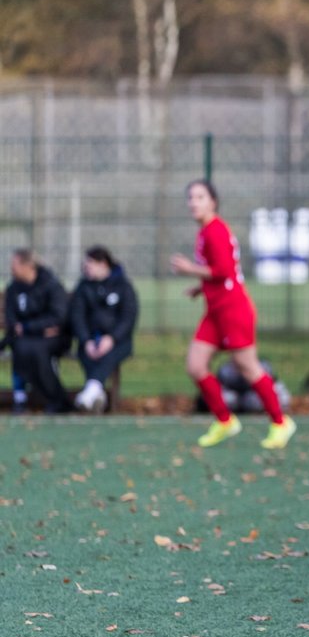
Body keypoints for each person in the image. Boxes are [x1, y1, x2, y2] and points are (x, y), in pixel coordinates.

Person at [169, 179, 296, 449]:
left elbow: (224, 270)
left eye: (200, 197)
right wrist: (200, 288)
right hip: (215, 311)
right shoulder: (205, 231)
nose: (193, 202)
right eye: (190, 198)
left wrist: (190, 269)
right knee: (195, 365)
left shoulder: (216, 230)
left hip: (233, 310)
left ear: (213, 202)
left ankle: (280, 422)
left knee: (248, 368)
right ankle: (225, 421)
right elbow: (220, 274)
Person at [68, 245, 138, 413]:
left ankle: (91, 391)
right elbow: (77, 316)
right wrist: (86, 340)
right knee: (88, 353)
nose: (86, 269)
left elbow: (128, 317)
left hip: (118, 341)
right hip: (90, 339)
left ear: (103, 264)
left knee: (109, 353)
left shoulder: (123, 286)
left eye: (89, 264)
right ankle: (96, 394)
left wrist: (112, 338)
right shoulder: (83, 287)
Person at [4, 248, 70, 413]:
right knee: (22, 347)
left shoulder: (51, 285)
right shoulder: (14, 288)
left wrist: (27, 328)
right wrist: (29, 329)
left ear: (28, 266)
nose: (11, 268)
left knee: (33, 350)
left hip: (53, 339)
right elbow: (11, 317)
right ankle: (26, 398)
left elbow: (57, 317)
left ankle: (55, 398)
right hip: (27, 338)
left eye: (15, 264)